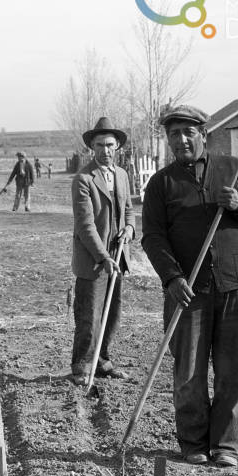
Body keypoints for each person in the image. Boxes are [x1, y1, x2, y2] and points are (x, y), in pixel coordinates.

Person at [141, 104, 238, 468]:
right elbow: (152, 237)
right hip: (187, 291)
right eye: (173, 134)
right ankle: (194, 442)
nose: (181, 140)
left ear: (203, 134)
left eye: (187, 132)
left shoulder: (232, 168)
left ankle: (228, 445)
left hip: (234, 285)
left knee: (235, 368)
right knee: (189, 371)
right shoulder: (161, 183)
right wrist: (172, 277)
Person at [70, 117, 136, 385]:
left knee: (113, 312)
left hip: (119, 255)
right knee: (89, 314)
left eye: (110, 145)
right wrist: (103, 256)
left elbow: (129, 209)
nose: (105, 151)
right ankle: (82, 366)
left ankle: (103, 360)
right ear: (91, 148)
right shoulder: (83, 179)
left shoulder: (121, 175)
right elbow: (85, 226)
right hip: (94, 259)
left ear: (117, 146)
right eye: (99, 145)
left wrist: (130, 229)